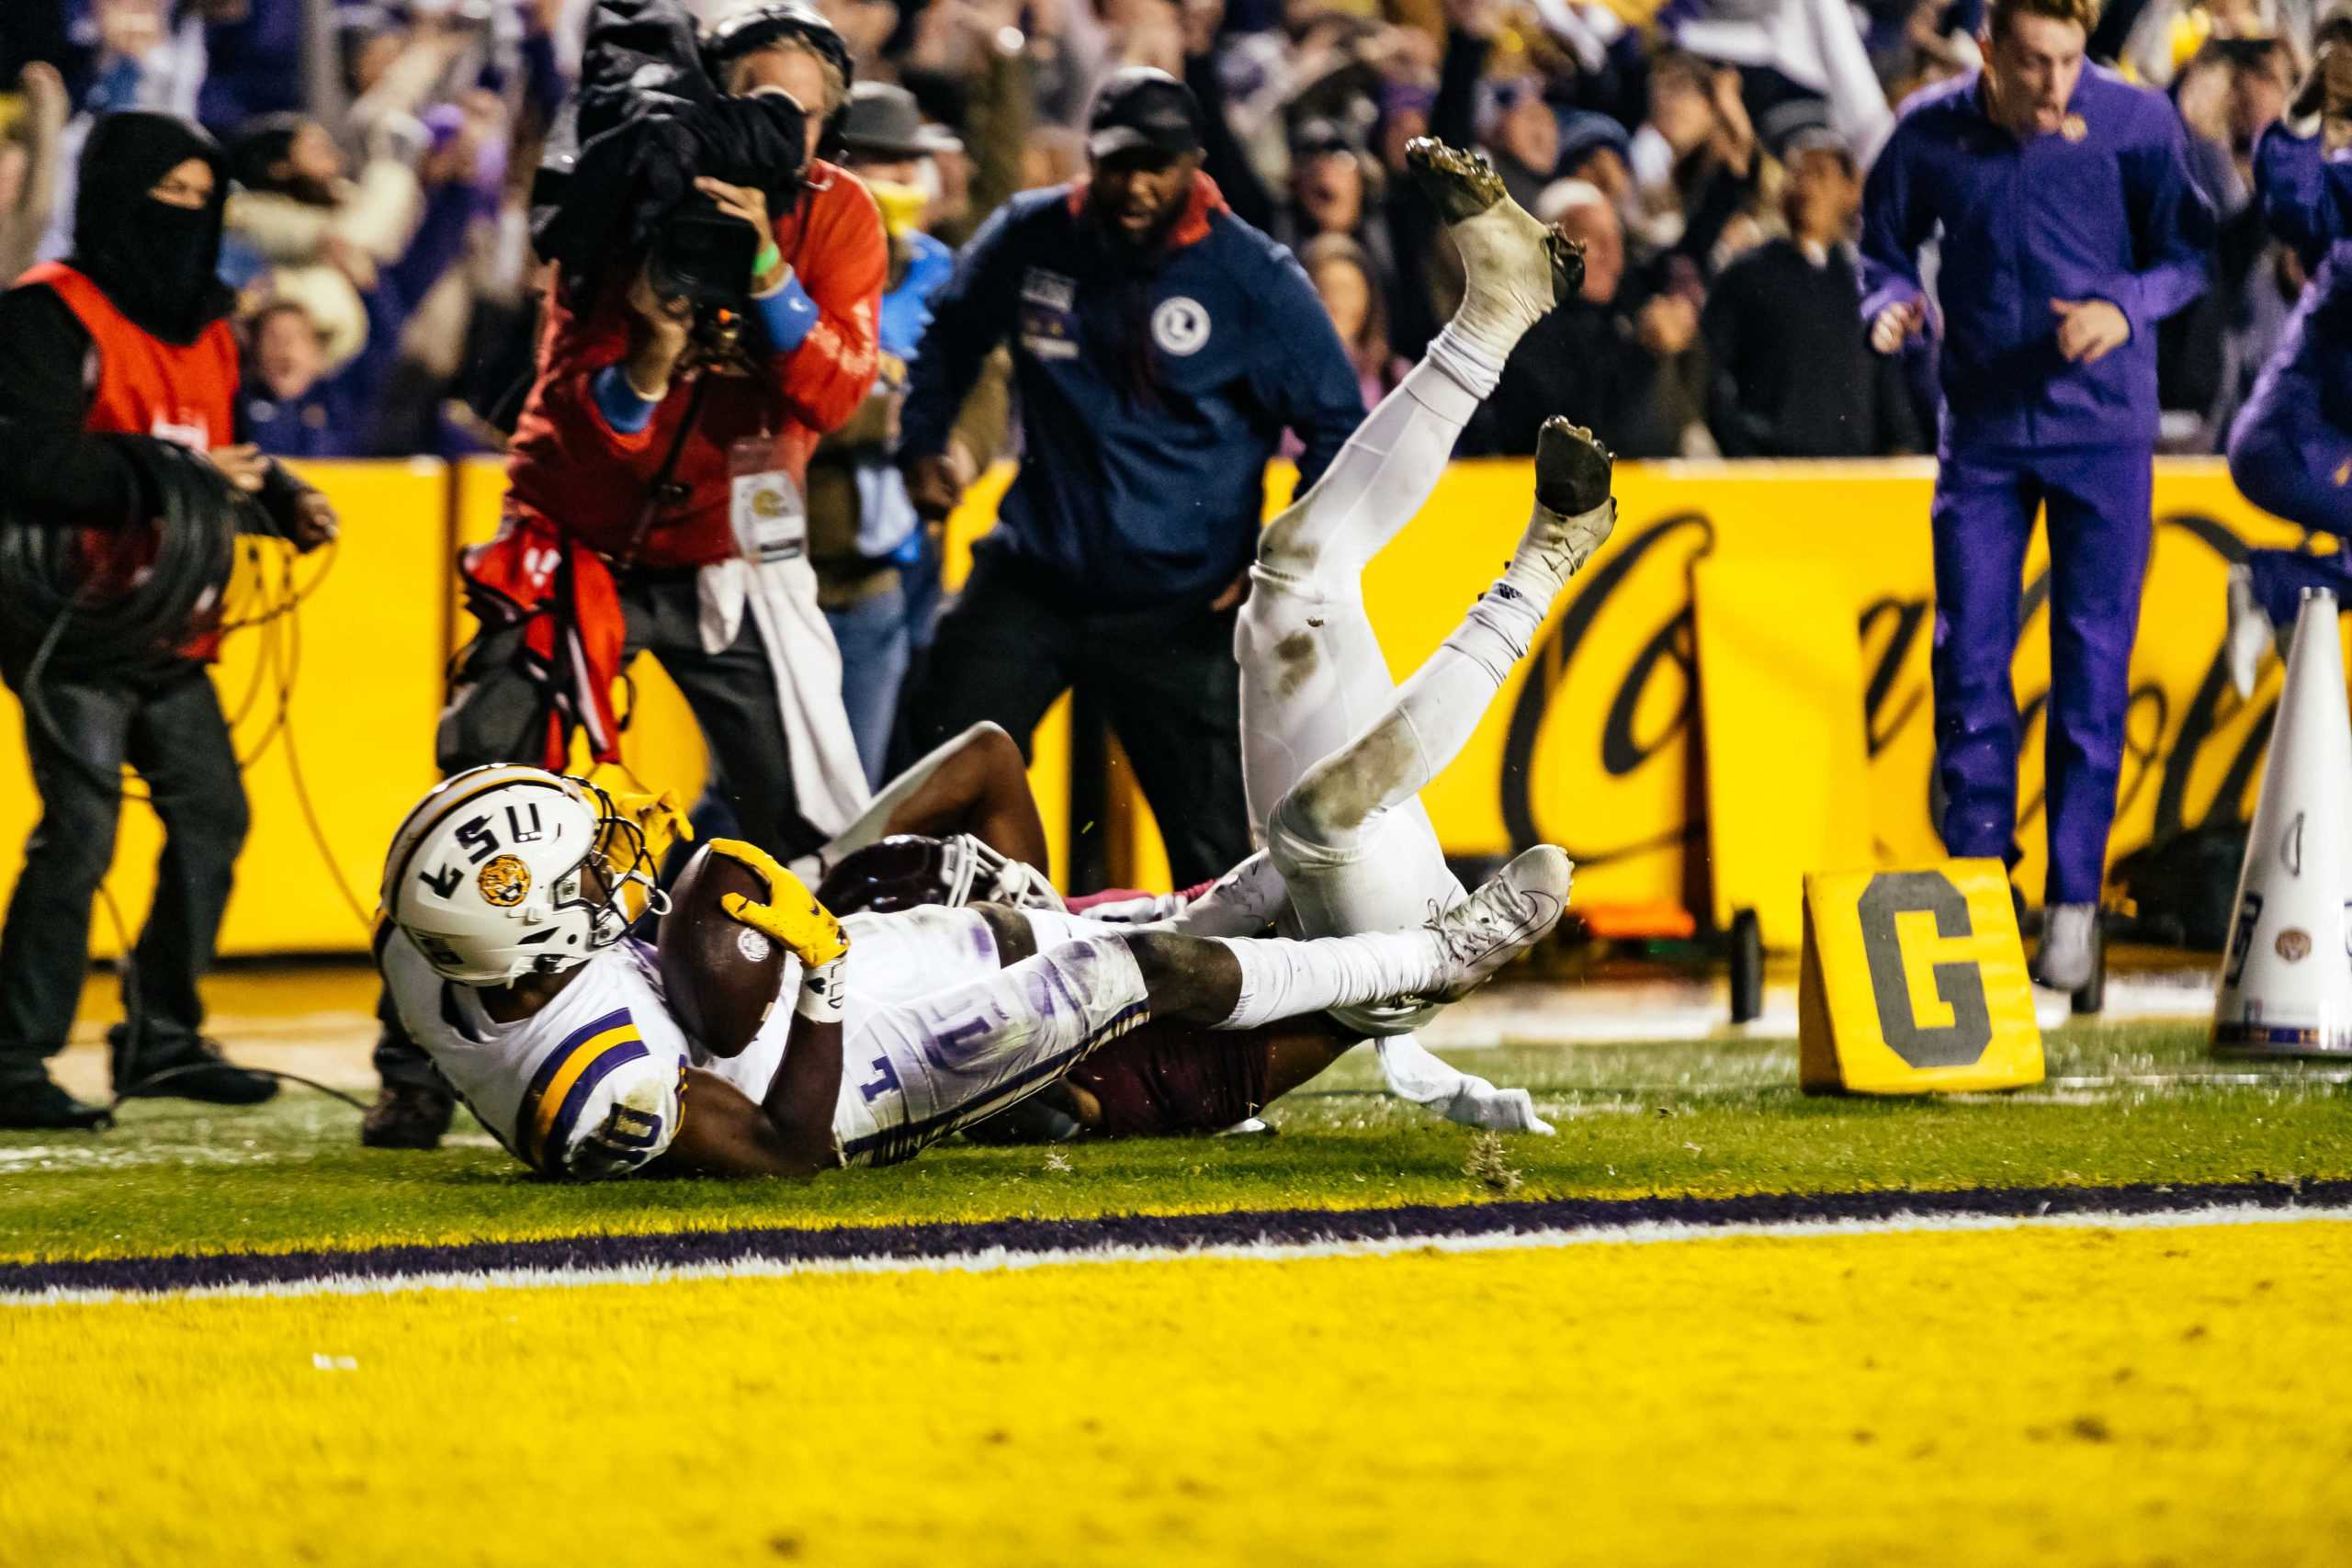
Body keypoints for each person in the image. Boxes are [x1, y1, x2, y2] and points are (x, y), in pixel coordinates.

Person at [360, 2, 886, 1150]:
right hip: (575, 536)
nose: (767, 124)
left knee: (821, 806)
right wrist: (649, 361)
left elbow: (837, 393)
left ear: (829, 129)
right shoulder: (626, 185)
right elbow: (573, 414)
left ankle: (870, 1023)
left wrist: (762, 273)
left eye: (794, 111)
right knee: (483, 793)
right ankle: (415, 1064)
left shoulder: (839, 216)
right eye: (748, 94)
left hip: (731, 551)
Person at [373, 769, 1569, 1180]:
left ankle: (1293, 897)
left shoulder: (432, 956)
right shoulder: (604, 1084)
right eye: (587, 875)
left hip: (824, 993)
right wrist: (824, 971)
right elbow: (792, 1146)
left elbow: (423, 912)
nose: (617, 866)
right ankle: (1436, 956)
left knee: (1165, 922)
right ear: (531, 935)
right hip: (862, 1078)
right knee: (1129, 966)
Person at [892, 66, 1366, 889]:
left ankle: (1244, 1011)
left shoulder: (1252, 277)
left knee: (1218, 853)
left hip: (1181, 605)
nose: (1137, 185)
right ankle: (908, 966)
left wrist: (1281, 567)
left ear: (1195, 162)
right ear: (1090, 158)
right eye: (1118, 164)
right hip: (1036, 578)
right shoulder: (1034, 236)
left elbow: (1338, 423)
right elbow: (951, 333)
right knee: (929, 778)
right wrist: (922, 437)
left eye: (1158, 164)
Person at [1861, 0, 2215, 991]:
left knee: (2090, 671)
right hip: (1980, 437)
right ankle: (1980, 885)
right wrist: (1889, 304)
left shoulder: (2139, 122)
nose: (2055, 84)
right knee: (1968, 661)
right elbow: (1880, 248)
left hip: (2103, 433)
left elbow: (2189, 256)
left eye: (2068, 61)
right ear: (1986, 52)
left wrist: (2123, 305)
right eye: (2031, 63)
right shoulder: (1928, 130)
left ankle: (2071, 902)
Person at [0, 112, 336, 1132]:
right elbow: (27, 464)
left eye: (202, 196)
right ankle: (14, 1056)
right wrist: (186, 476)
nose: (184, 215)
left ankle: (161, 1036)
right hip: (72, 623)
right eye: (168, 194)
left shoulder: (210, 321)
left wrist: (277, 495)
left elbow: (219, 449)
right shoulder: (41, 318)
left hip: (173, 626)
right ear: (112, 194)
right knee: (83, 834)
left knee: (212, 816)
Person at [806, 81, 1001, 785]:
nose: (893, 182)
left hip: (910, 546)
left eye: (902, 165)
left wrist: (960, 450)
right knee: (778, 784)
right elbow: (781, 397)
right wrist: (878, 421)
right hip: (809, 550)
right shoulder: (804, 269)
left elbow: (986, 378)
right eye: (875, 164)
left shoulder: (939, 270)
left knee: (881, 767)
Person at [2222, 28, 2352, 694]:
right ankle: (2272, 585)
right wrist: (2302, 114)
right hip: (2292, 440)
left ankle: (2274, 587)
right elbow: (2293, 203)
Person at [1702, 129, 1923, 457]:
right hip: (1770, 478)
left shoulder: (1865, 283)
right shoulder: (1745, 274)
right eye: (1796, 173)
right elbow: (1709, 374)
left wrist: (1903, 447)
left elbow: (1887, 385)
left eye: (1820, 173)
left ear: (1852, 191)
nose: (1805, 185)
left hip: (1854, 482)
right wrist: (1743, 452)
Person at [1462, 179, 1708, 458]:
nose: (1612, 256)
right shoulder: (1521, 331)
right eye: (1593, 239)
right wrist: (1644, 354)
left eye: (1617, 242)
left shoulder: (1622, 313)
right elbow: (1578, 443)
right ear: (1548, 247)